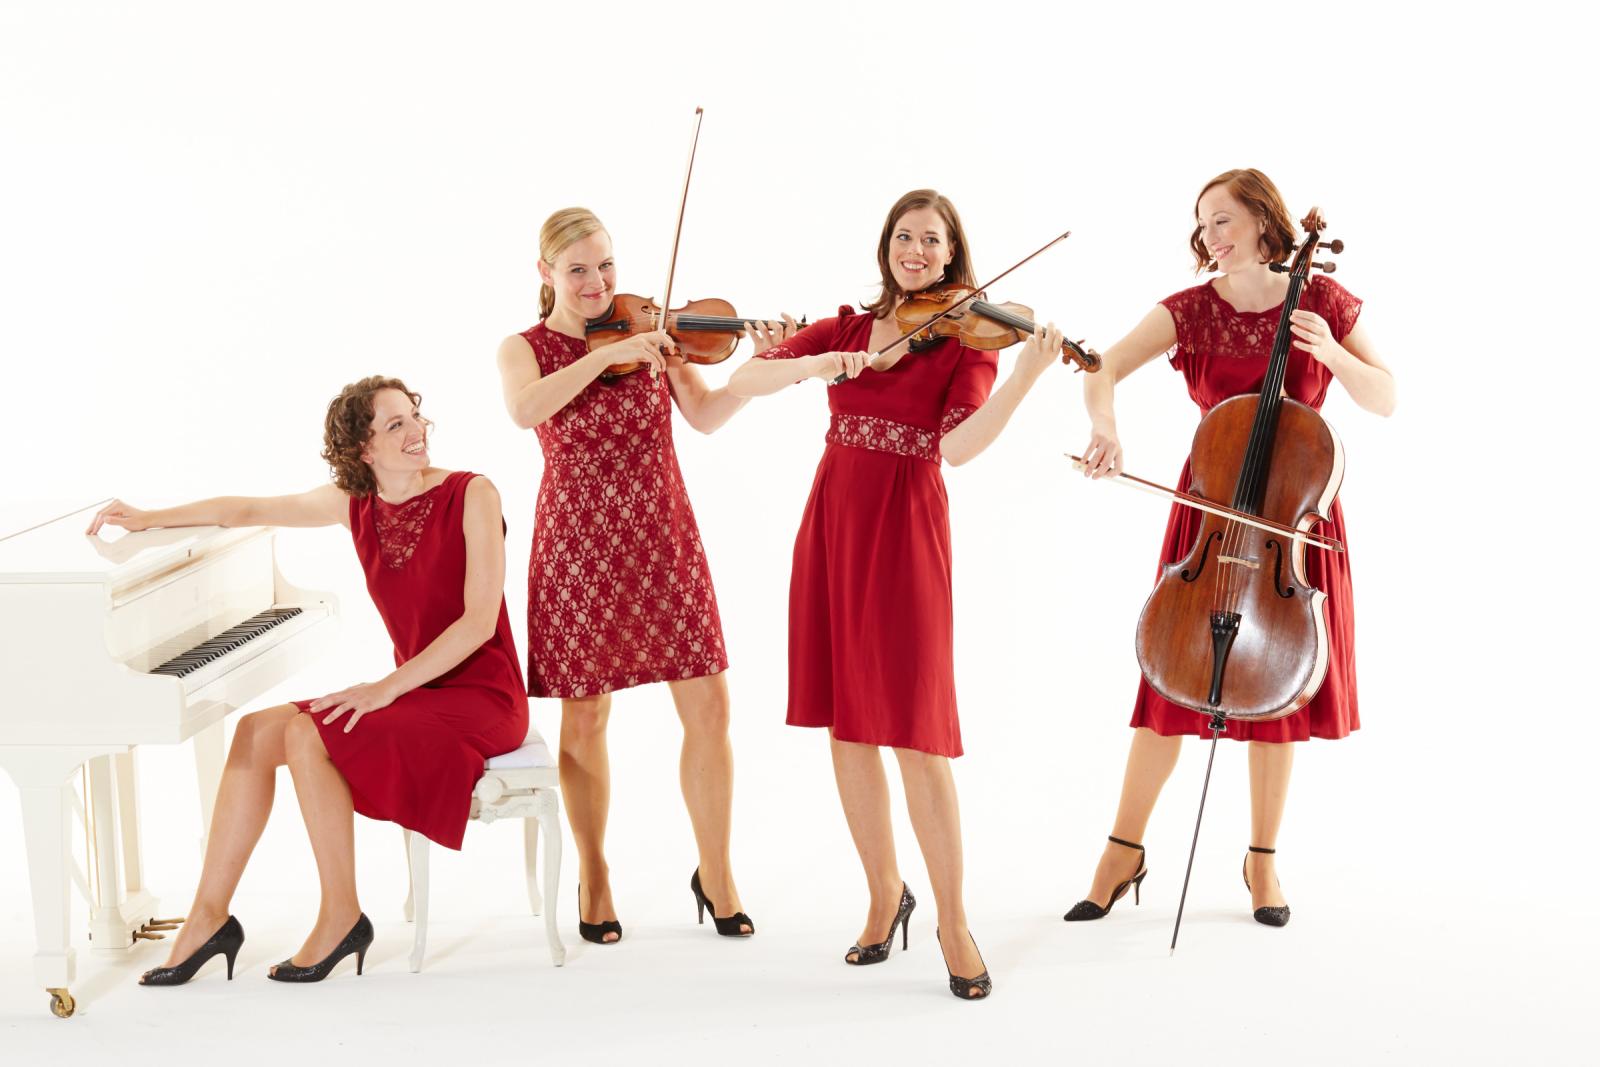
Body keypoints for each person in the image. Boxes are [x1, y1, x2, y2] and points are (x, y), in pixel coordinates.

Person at [727, 188, 1065, 1000]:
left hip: (906, 528)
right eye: (904, 236)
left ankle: (953, 920)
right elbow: (744, 378)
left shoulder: (964, 340)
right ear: (887, 246)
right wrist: (817, 363)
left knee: (915, 733)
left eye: (931, 240)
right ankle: (885, 892)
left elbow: (961, 448)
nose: (916, 250)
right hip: (834, 522)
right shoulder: (846, 327)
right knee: (847, 726)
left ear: (952, 254)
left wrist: (1024, 376)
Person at [88, 376, 528, 984]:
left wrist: (384, 688)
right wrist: (147, 518)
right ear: (363, 450)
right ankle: (207, 918)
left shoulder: (472, 493)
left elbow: (478, 624)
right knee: (254, 733)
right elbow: (246, 509)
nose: (416, 431)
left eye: (414, 416)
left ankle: (341, 915)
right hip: (417, 690)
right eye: (395, 424)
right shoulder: (354, 503)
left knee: (306, 733)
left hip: (484, 698)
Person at [1066, 168, 1396, 928]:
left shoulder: (1322, 300)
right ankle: (1121, 850)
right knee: (1168, 677)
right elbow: (1103, 368)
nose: (1210, 236)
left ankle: (1262, 861)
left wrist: (1333, 353)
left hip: (1292, 522)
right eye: (1203, 223)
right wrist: (1106, 428)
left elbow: (1385, 396)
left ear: (1263, 221)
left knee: (1277, 684)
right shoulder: (1190, 310)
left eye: (1223, 220)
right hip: (1211, 514)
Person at [496, 207, 756, 944]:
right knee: (585, 716)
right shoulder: (523, 349)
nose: (597, 282)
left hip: (662, 536)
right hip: (578, 545)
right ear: (545, 273)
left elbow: (705, 415)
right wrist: (607, 356)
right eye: (577, 269)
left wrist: (751, 374)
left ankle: (717, 872)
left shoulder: (651, 331)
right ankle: (595, 873)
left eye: (605, 264)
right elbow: (524, 410)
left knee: (710, 707)